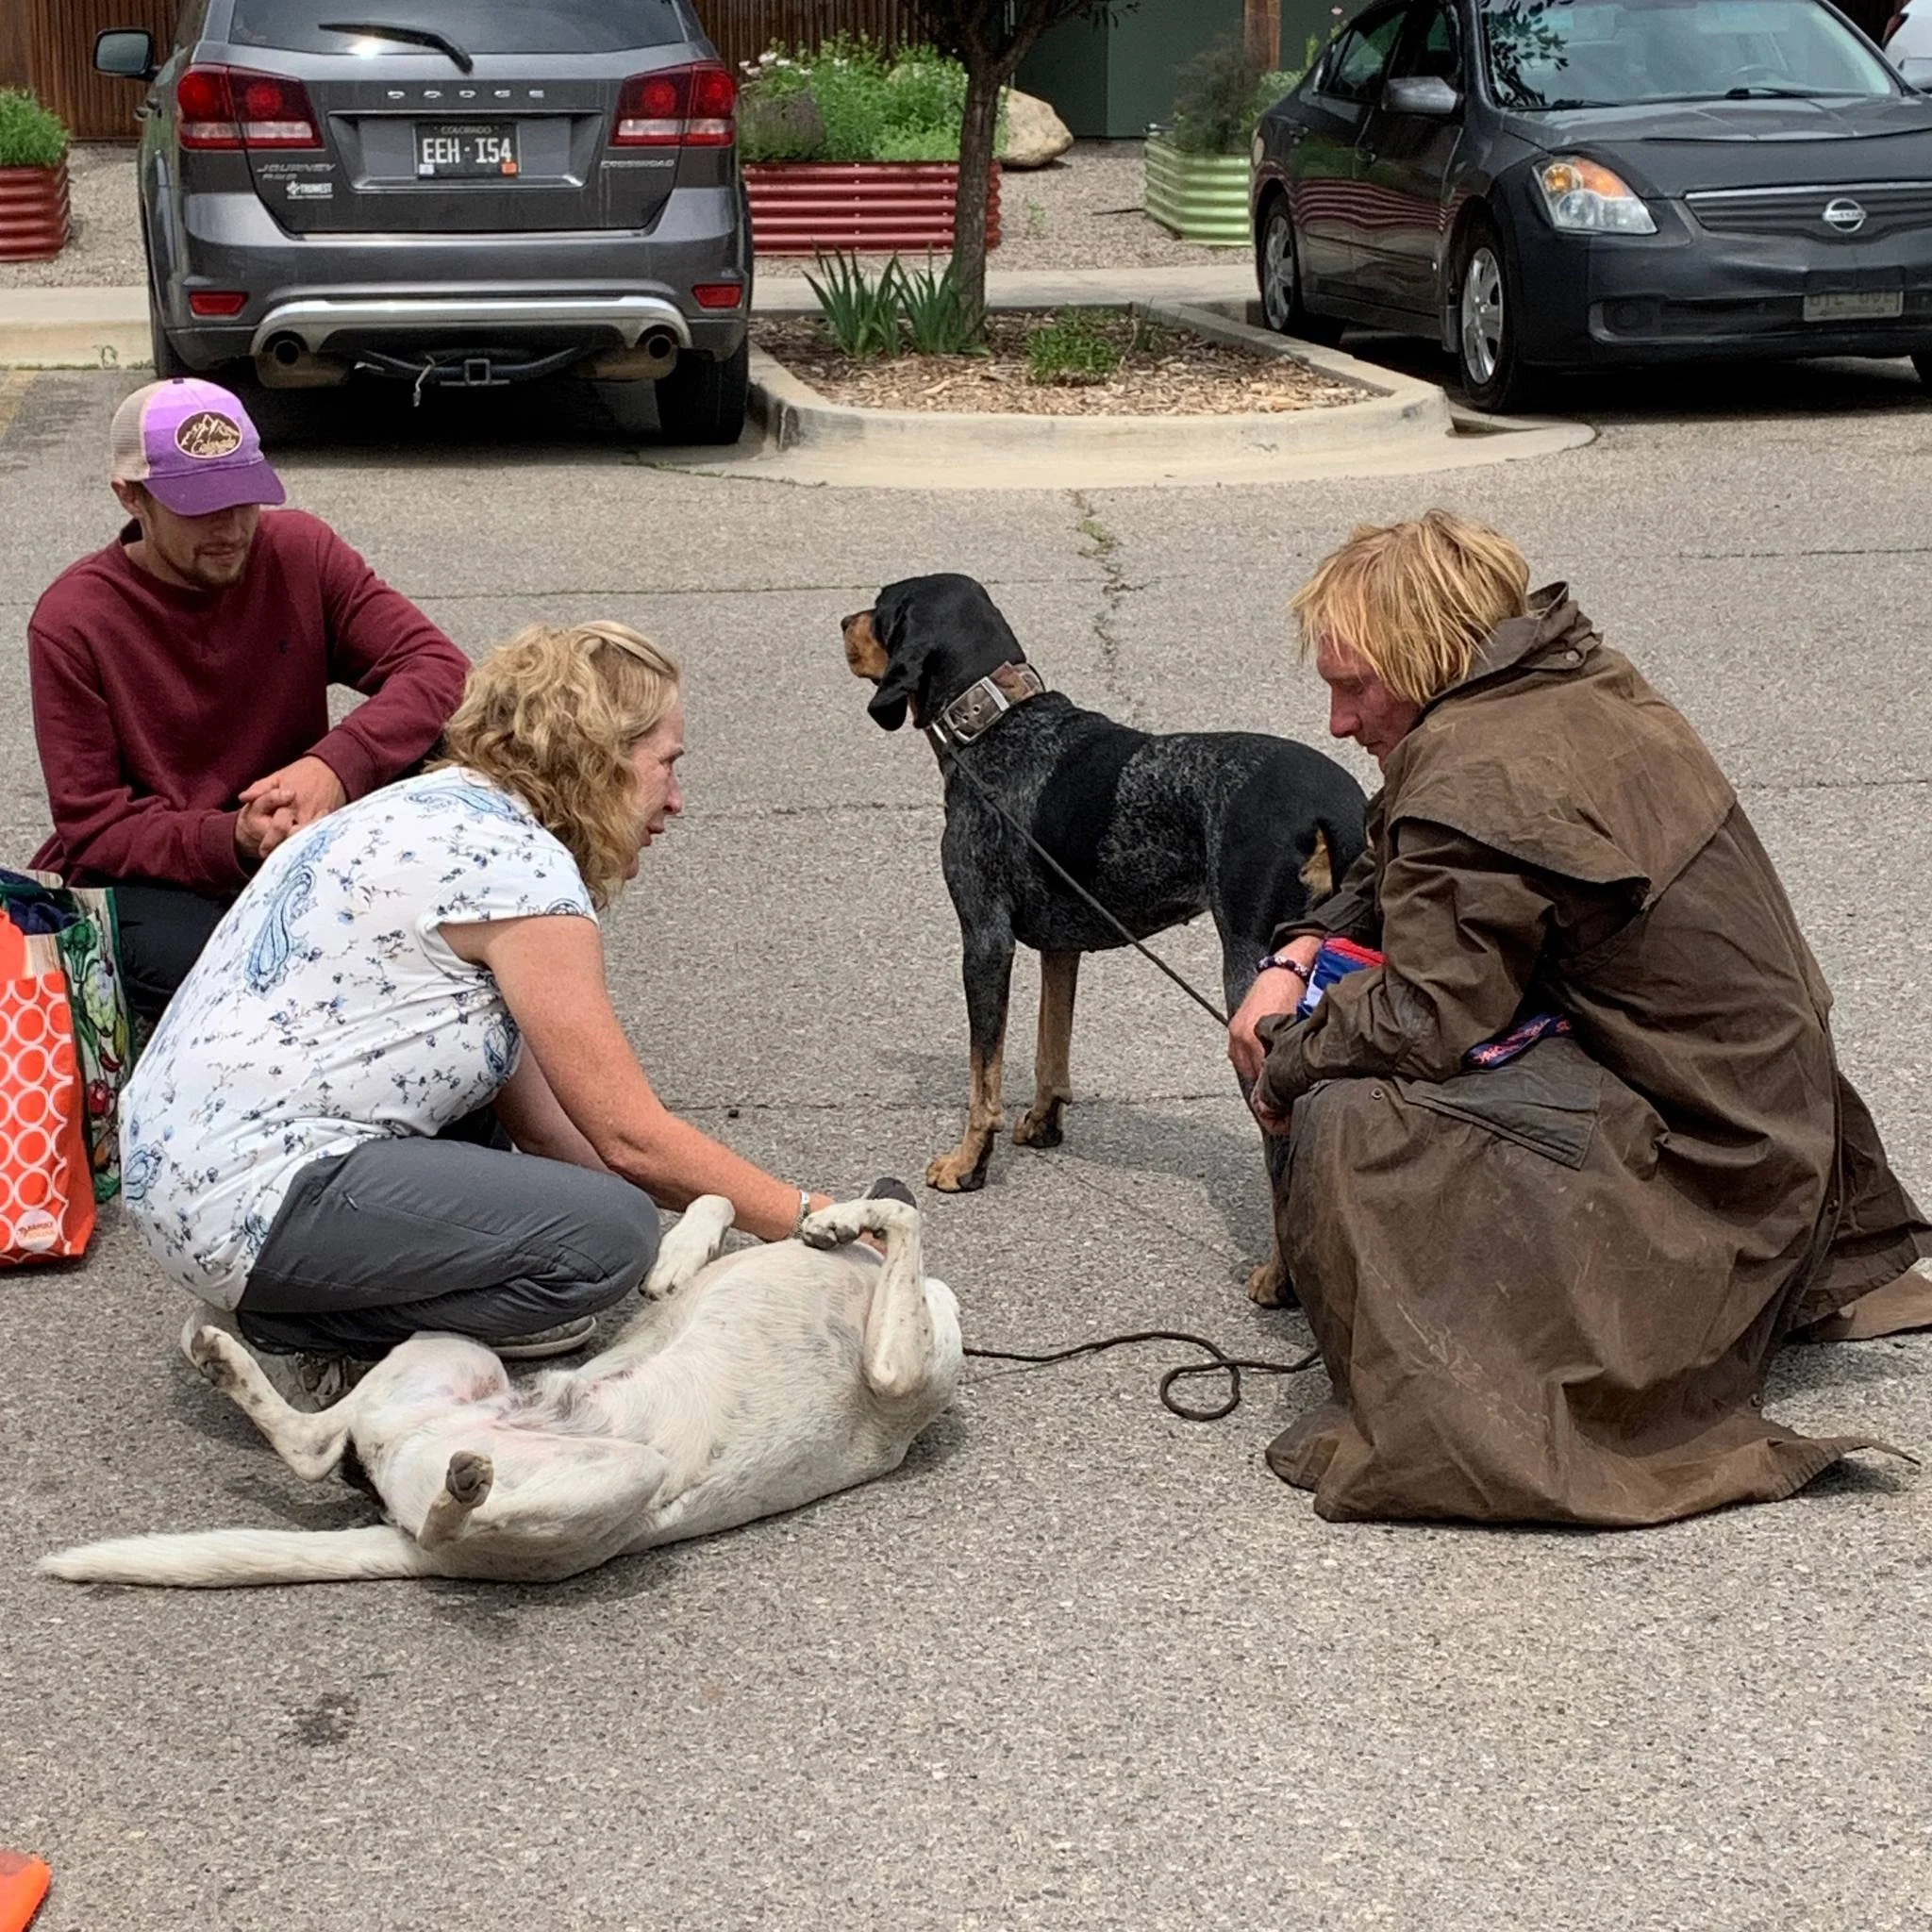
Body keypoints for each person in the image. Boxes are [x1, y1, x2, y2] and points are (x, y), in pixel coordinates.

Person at [1228, 510, 1931, 1528]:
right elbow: (1410, 865)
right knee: (1337, 998)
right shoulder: (1558, 683)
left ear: (1428, 658)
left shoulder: (1475, 768)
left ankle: (1474, 1403)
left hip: (1722, 1162)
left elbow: (1422, 1018)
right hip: (1780, 1115)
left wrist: (1285, 1058)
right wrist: (1295, 952)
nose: (1337, 722)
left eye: (1353, 686)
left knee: (1350, 1112)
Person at [120, 621, 845, 1403]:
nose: (675, 799)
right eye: (665, 764)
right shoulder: (522, 878)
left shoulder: (428, 807)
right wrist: (807, 1217)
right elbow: (628, 1136)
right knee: (607, 1241)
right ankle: (293, 1333)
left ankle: (290, 1295)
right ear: (598, 758)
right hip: (258, 1195)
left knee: (572, 1194)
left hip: (180, 1175)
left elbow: (546, 1127)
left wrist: (724, 1223)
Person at [26, 376, 470, 1018]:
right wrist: (230, 837)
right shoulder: (74, 620)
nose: (231, 526)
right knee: (236, 978)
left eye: (244, 497)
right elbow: (94, 826)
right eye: (198, 504)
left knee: (467, 741)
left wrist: (332, 768)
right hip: (157, 872)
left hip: (300, 825)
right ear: (131, 497)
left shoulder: (299, 549)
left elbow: (437, 667)